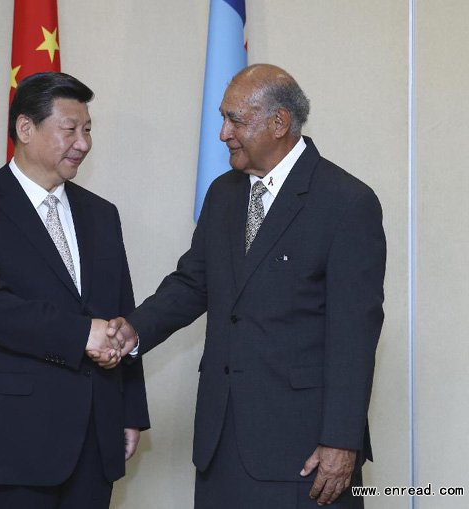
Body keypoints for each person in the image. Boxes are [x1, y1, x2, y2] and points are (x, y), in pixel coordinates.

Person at [95, 64, 386, 508]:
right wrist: (134, 331)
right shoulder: (224, 194)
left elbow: (355, 335)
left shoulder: (345, 202)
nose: (223, 133)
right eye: (223, 117)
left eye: (235, 119)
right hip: (221, 444)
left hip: (303, 450)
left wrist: (341, 441)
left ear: (278, 123)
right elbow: (193, 284)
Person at [0, 72, 149, 509]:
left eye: (88, 129)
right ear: (25, 128)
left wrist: (130, 413)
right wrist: (80, 334)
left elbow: (121, 313)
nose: (83, 143)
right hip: (13, 441)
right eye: (70, 129)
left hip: (97, 435)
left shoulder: (102, 214)